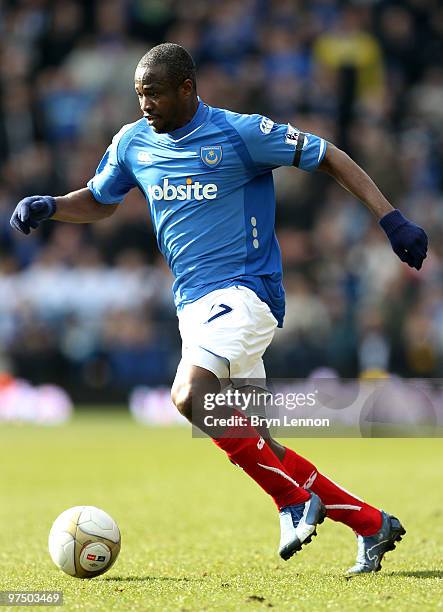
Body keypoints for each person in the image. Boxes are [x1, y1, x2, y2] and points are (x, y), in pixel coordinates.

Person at [10, 43, 427, 575]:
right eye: (140, 94)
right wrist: (52, 207)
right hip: (194, 308)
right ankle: (371, 523)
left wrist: (391, 220)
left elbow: (329, 156)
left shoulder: (240, 133)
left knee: (189, 396)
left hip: (245, 294)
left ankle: (292, 501)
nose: (145, 104)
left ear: (187, 88)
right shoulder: (133, 142)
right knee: (260, 442)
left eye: (155, 92)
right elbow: (100, 198)